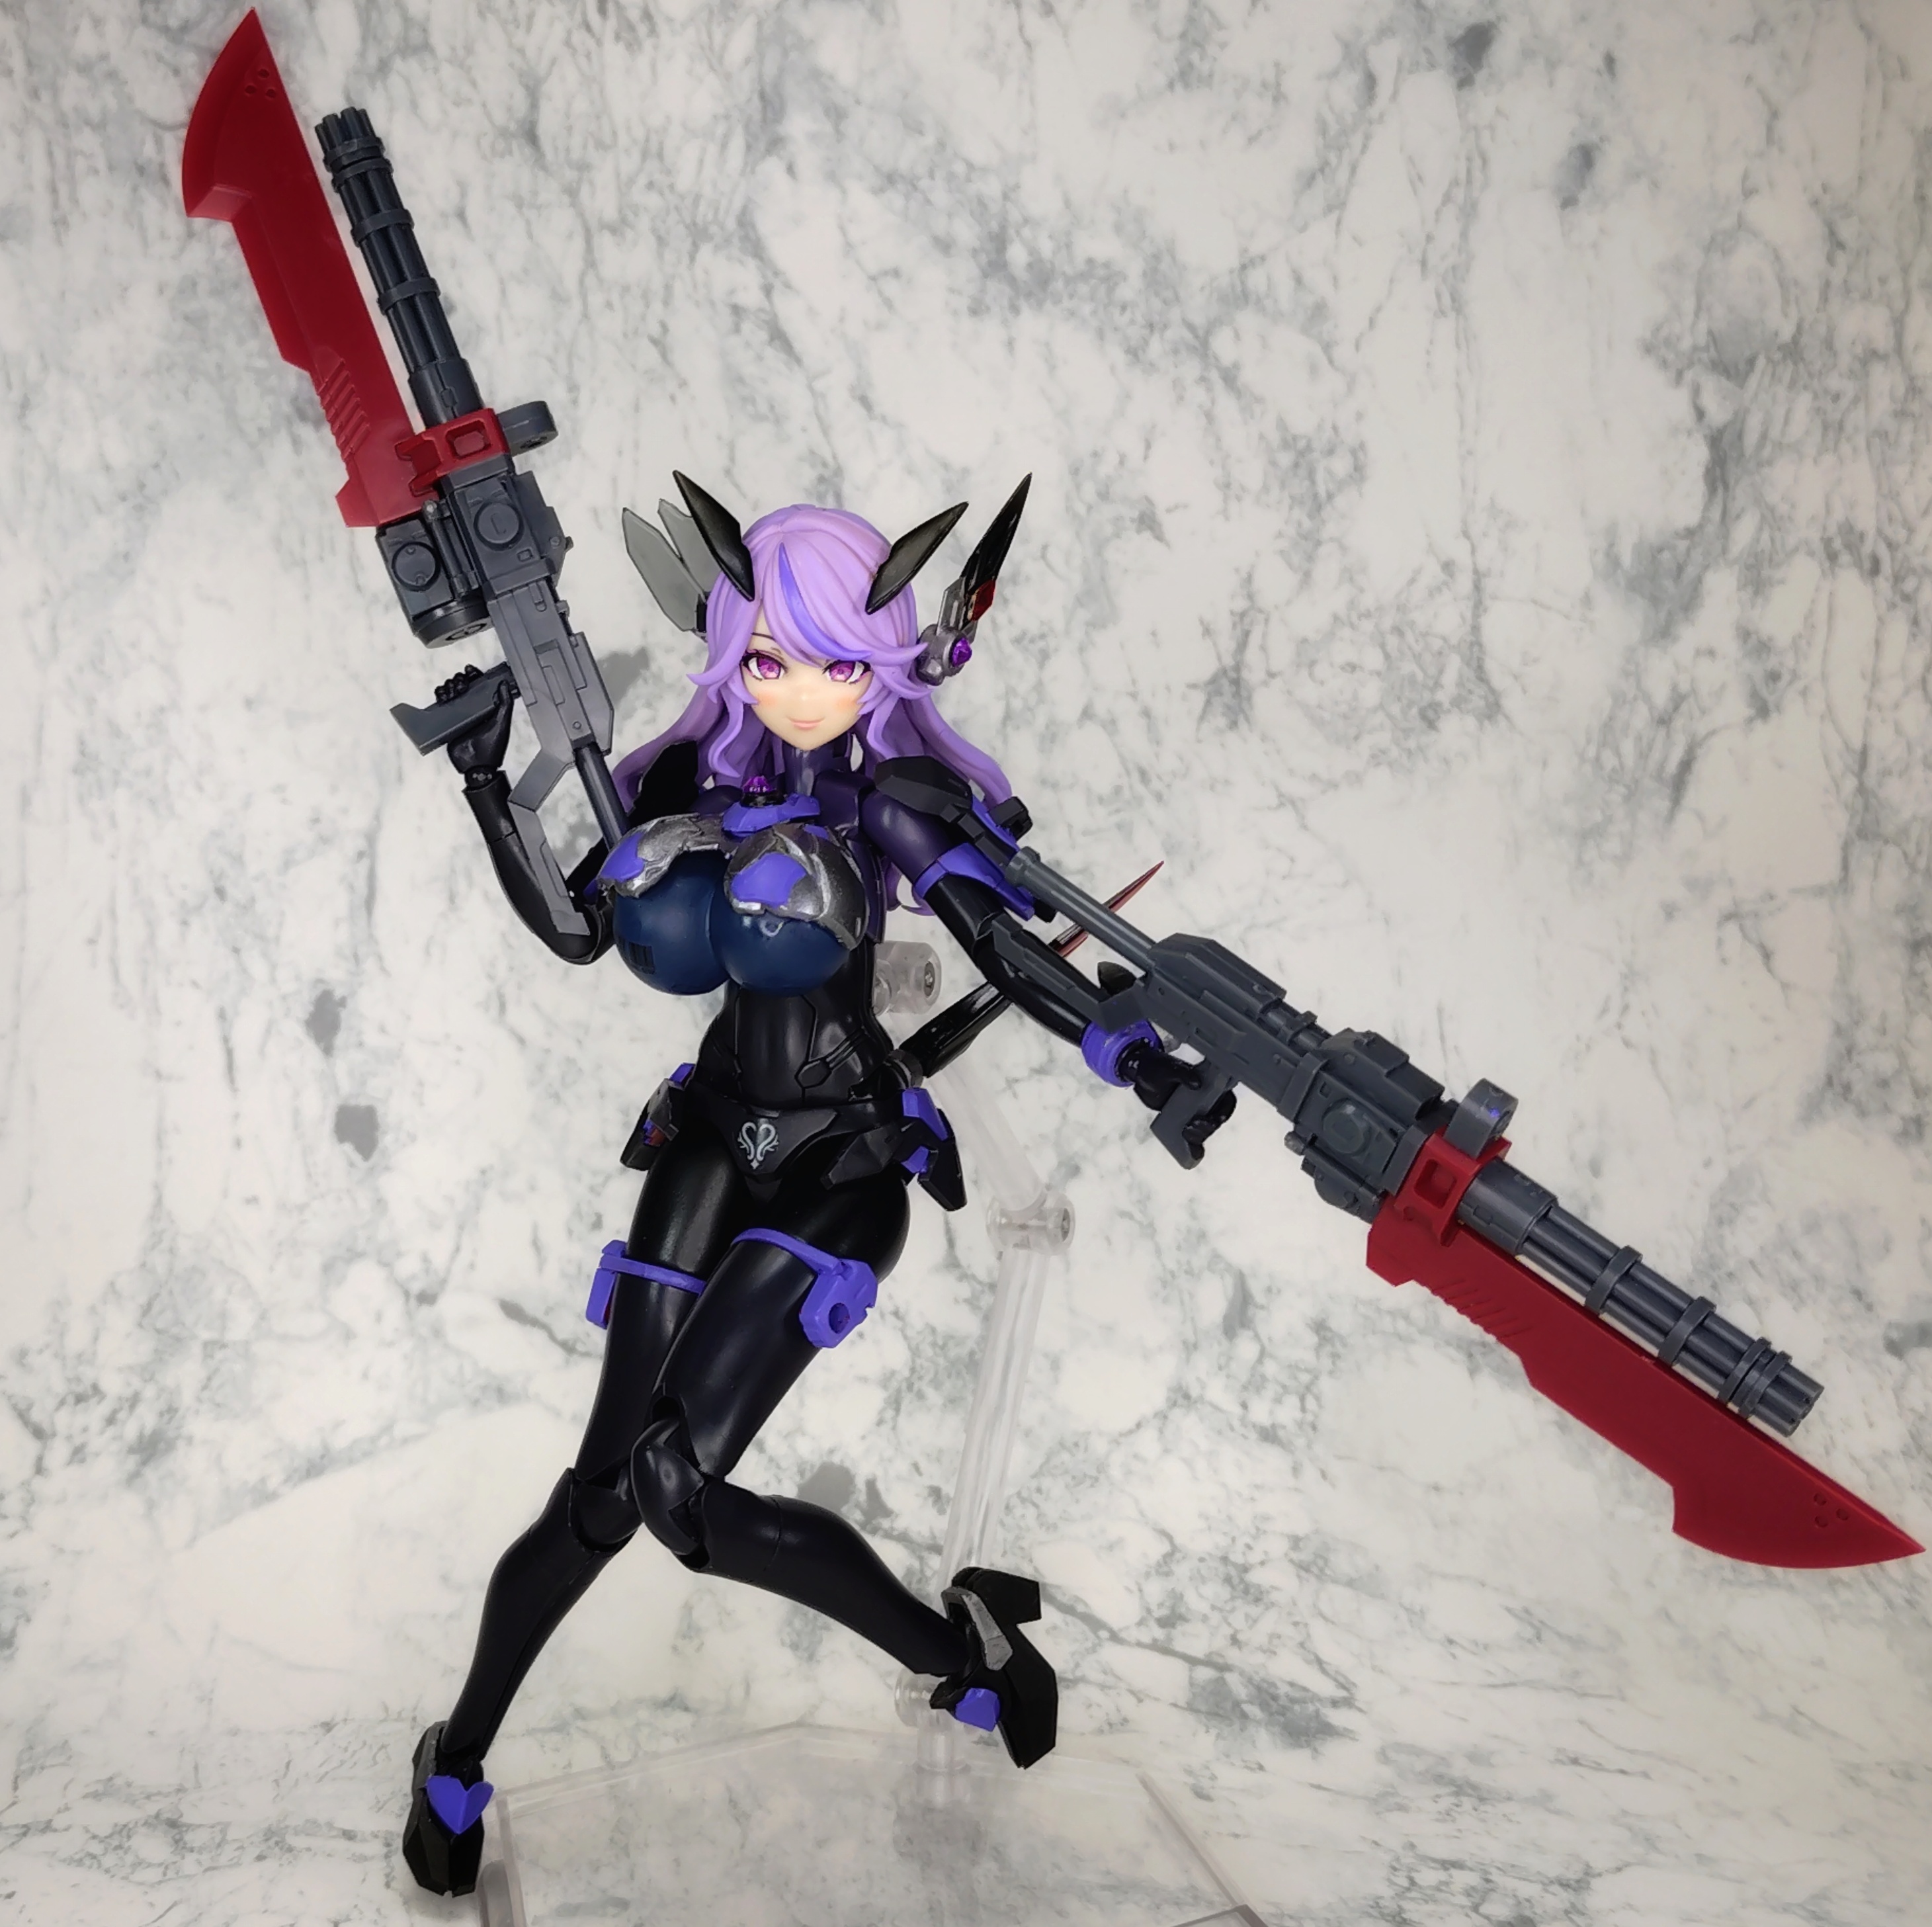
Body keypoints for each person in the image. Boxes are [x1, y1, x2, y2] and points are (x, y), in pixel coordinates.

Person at [401, 481, 1232, 1897]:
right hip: (709, 1141)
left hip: (841, 1161)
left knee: (677, 1481)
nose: (799, 691)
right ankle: (456, 1756)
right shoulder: (694, 785)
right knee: (603, 1494)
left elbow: (1005, 947)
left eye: (840, 663)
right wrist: (486, 780)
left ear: (889, 664)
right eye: (773, 658)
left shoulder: (888, 806)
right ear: (731, 649)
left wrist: (1136, 1055)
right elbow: (582, 924)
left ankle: (956, 1651)